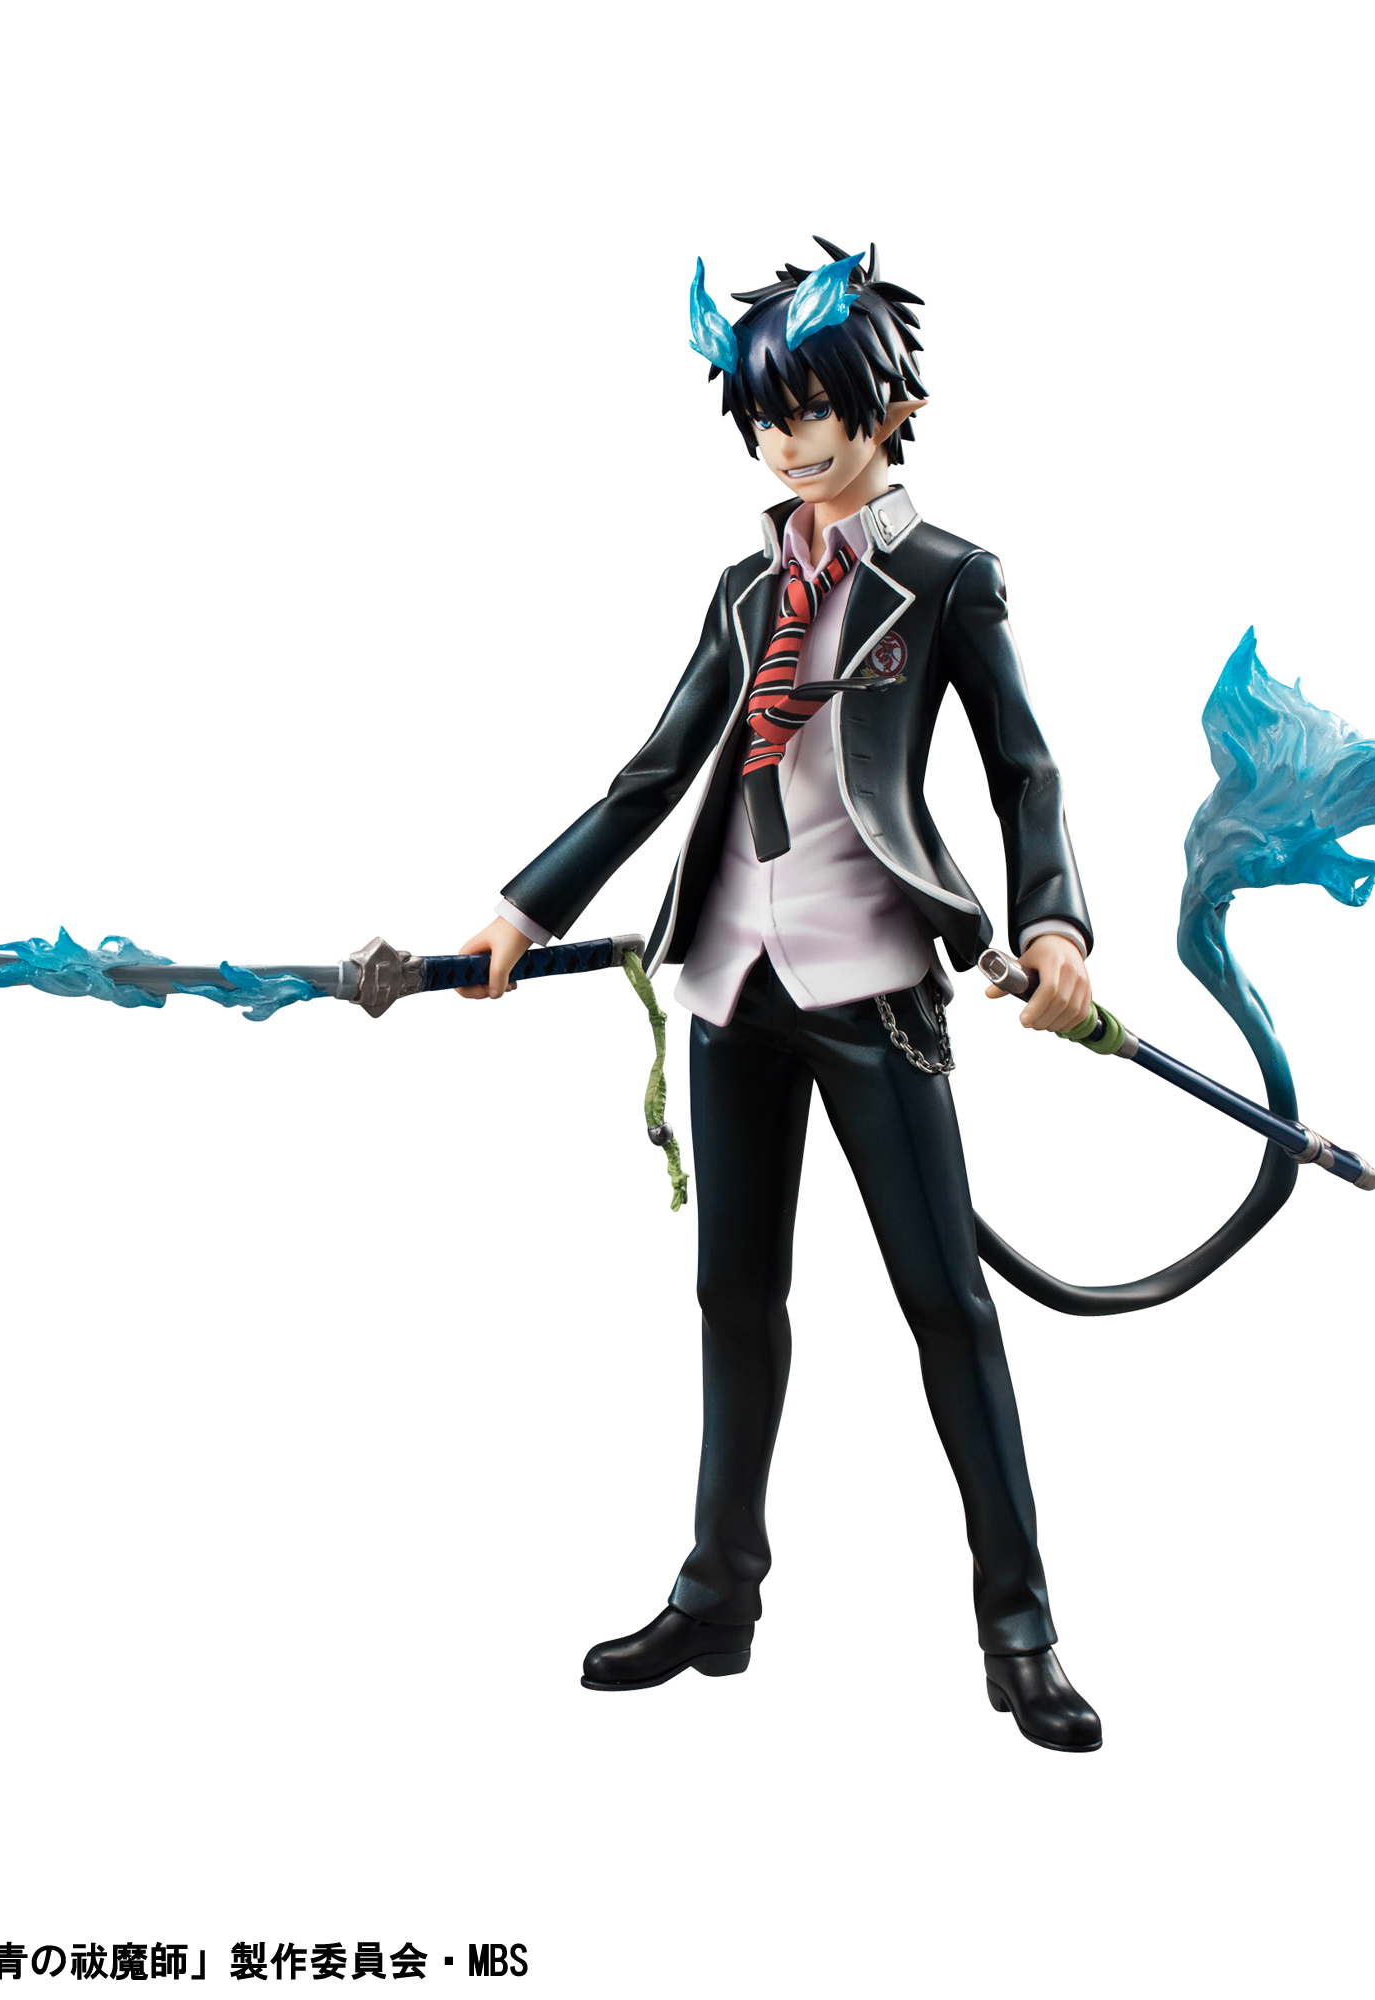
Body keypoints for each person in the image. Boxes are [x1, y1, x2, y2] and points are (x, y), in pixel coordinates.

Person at [459, 240, 1102, 1751]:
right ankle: (717, 1593)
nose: (790, 442)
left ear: (892, 408)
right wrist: (523, 908)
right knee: (732, 1297)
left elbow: (1024, 769)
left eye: (816, 409)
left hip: (874, 985)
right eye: (766, 417)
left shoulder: (947, 580)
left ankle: (1019, 1630)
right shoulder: (747, 589)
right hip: (730, 979)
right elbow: (654, 771)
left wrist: (1054, 923)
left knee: (946, 1307)